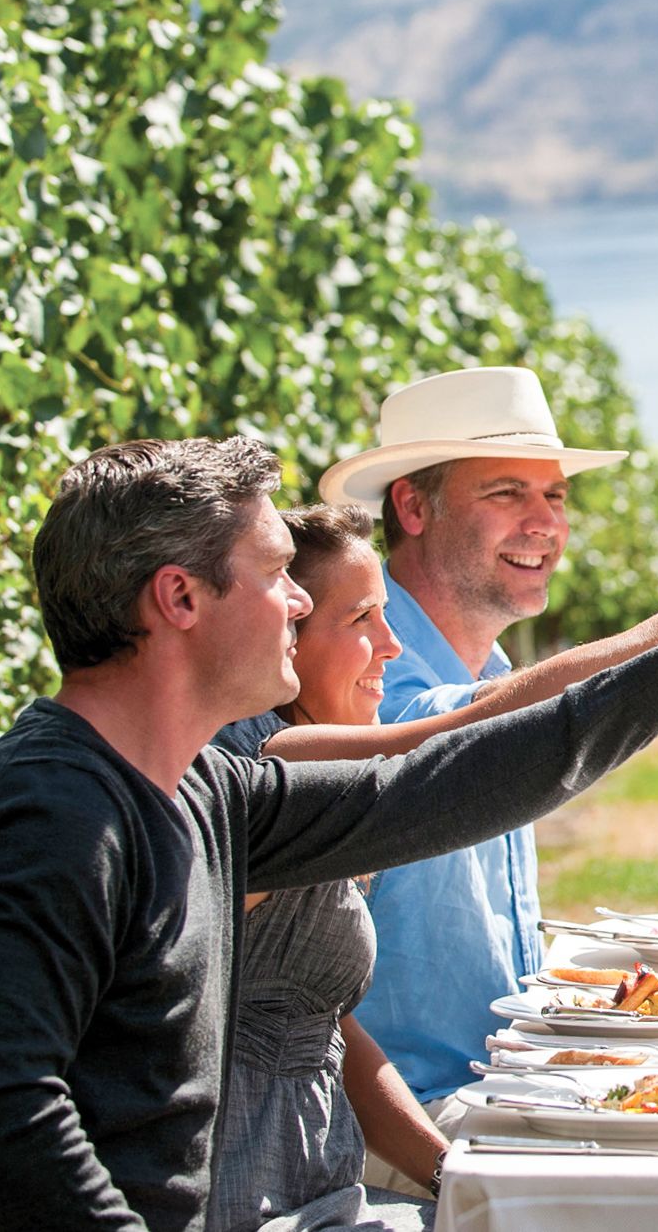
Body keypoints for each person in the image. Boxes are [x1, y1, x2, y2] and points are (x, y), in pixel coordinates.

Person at [0, 436, 658, 1231]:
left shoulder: (201, 787)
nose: (297, 601)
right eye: (277, 575)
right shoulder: (52, 813)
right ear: (179, 598)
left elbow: (436, 786)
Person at [315, 366, 658, 1168]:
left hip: (519, 1087)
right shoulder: (358, 670)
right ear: (414, 506)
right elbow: (457, 741)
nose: (543, 524)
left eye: (555, 496)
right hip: (409, 1132)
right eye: (506, 493)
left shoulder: (492, 667)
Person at [208, 505, 435, 1231]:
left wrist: (448, 1170)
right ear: (285, 636)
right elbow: (471, 736)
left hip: (319, 1194)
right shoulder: (261, 774)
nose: (393, 645)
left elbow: (325, 1031)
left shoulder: (293, 772)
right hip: (252, 1206)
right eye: (363, 617)